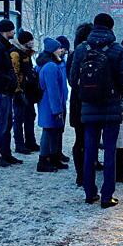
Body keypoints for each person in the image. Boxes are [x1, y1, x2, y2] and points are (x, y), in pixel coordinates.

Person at [69, 13, 123, 209]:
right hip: (111, 107)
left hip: (88, 108)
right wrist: (116, 95)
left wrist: (86, 94)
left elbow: (72, 80)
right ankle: (107, 196)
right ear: (111, 28)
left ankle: (89, 193)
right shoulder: (117, 49)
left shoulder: (81, 49)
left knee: (89, 150)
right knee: (110, 152)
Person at [0, 19, 22, 167]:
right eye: (12, 30)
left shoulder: (1, 46)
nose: (14, 32)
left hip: (4, 90)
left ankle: (5, 154)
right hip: (2, 91)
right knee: (2, 124)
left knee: (6, 124)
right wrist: (9, 81)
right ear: (6, 31)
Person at [35, 38, 69, 172]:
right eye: (59, 48)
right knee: (49, 131)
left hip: (46, 103)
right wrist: (57, 109)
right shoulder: (51, 66)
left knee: (52, 131)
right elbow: (53, 90)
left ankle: (52, 158)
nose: (61, 50)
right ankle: (44, 160)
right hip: (50, 105)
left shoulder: (46, 64)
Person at [67, 23, 93, 186]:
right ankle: (88, 169)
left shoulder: (73, 54)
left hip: (77, 102)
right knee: (90, 139)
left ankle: (80, 174)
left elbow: (72, 80)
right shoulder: (93, 52)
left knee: (80, 139)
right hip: (91, 102)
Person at [9, 29, 40, 154]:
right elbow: (15, 73)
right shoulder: (16, 54)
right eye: (30, 40)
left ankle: (30, 142)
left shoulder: (25, 53)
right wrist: (17, 90)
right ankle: (20, 144)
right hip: (20, 91)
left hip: (27, 91)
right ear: (25, 42)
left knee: (29, 116)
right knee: (19, 118)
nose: (32, 42)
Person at [54, 35, 71, 164]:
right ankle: (55, 153)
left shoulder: (62, 61)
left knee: (60, 127)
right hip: (58, 99)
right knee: (56, 128)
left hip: (62, 98)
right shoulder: (56, 64)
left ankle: (58, 152)